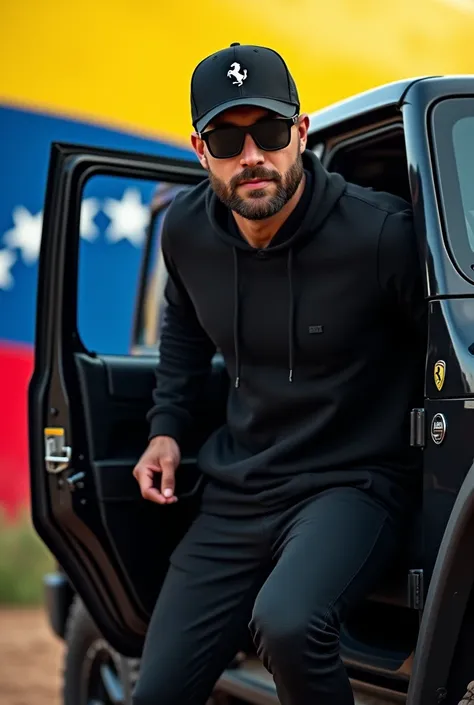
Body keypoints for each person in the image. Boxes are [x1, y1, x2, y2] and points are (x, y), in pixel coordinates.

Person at [132, 42, 426, 705]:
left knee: (289, 623)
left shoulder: (381, 234)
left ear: (300, 133)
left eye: (268, 132)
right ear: (199, 148)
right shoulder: (185, 231)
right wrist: (166, 428)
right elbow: (181, 327)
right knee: (156, 692)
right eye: (226, 140)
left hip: (352, 482)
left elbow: (449, 350)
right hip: (242, 485)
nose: (251, 157)